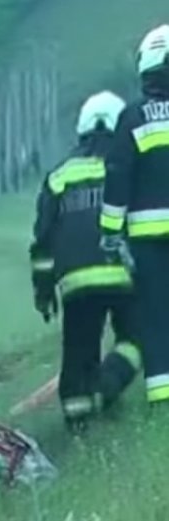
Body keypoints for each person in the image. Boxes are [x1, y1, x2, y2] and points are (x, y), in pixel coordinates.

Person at [30, 91, 140, 432]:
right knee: (134, 340)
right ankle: (106, 388)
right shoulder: (130, 169)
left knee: (78, 351)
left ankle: (78, 421)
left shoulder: (59, 176)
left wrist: (44, 291)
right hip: (124, 274)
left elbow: (42, 242)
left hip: (76, 282)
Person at [102, 25, 169, 411]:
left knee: (157, 318)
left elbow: (118, 177)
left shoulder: (132, 117)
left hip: (148, 241)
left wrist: (110, 235)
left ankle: (162, 395)